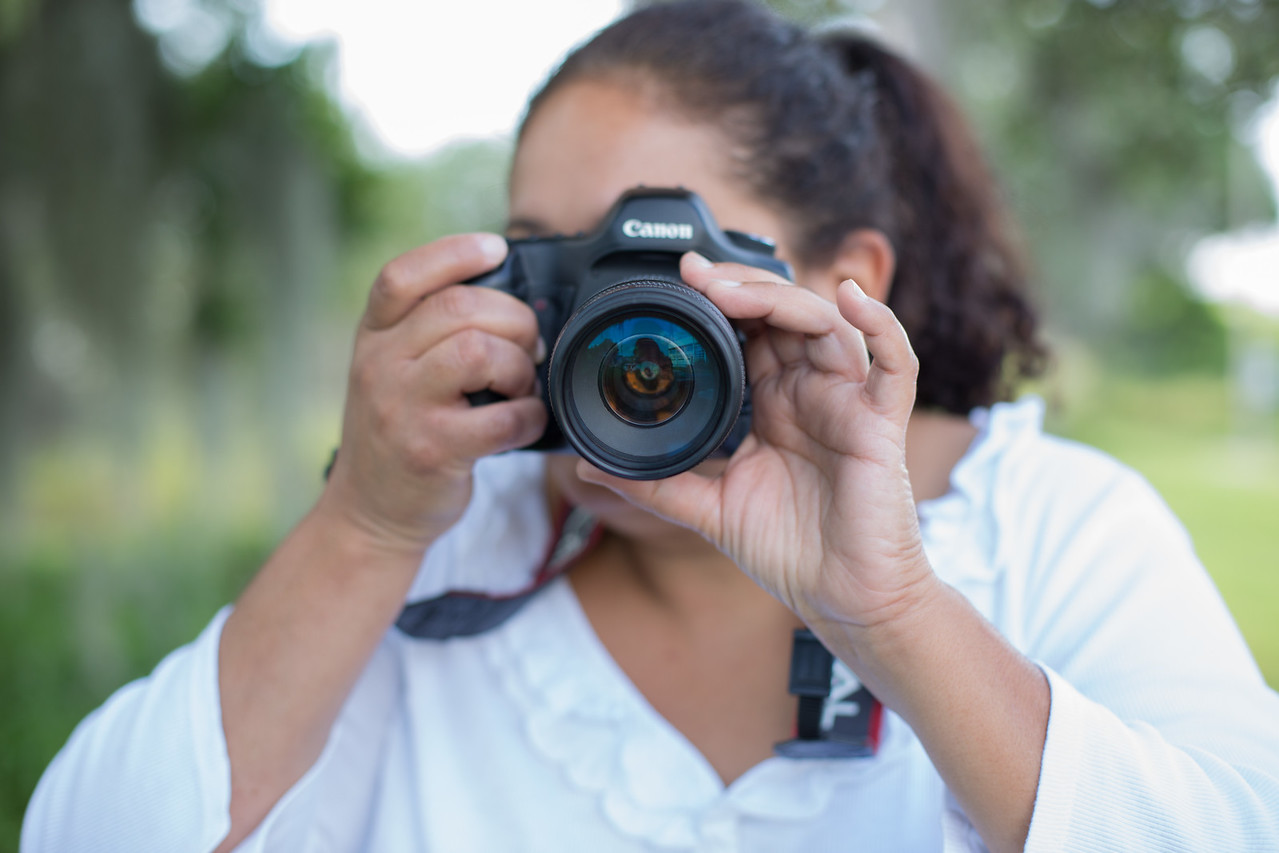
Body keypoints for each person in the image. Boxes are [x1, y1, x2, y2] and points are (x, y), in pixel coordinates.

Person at [22, 2, 1279, 851]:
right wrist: (363, 519)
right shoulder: (441, 555)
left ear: (851, 279)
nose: (607, 333)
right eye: (550, 264)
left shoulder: (1050, 526)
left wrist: (891, 613)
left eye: (667, 264)